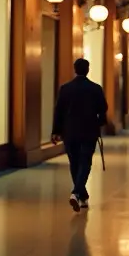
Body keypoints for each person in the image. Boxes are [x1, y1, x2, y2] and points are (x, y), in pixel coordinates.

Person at [52, 58, 109, 211]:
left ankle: (81, 195)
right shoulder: (95, 88)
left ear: (74, 69)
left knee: (74, 162)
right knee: (85, 161)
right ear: (88, 69)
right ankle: (78, 192)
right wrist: (100, 123)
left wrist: (56, 131)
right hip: (89, 131)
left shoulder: (65, 88)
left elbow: (59, 111)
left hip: (69, 131)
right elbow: (103, 108)